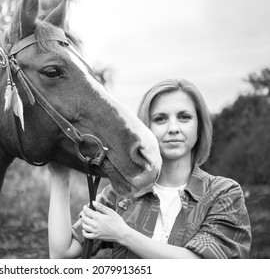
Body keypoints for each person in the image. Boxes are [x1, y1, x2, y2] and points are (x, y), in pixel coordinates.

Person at [48, 79, 252, 259]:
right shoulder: (120, 193)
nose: (173, 128)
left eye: (184, 117)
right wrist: (59, 174)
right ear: (145, 129)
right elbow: (62, 253)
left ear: (199, 127)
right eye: (160, 119)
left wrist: (122, 234)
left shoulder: (223, 193)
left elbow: (202, 267)